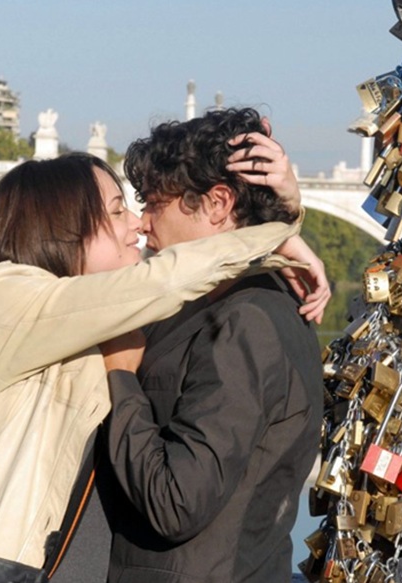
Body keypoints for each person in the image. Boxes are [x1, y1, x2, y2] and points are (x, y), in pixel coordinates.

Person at [0, 145, 327, 580]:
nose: (138, 225)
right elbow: (163, 281)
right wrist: (277, 230)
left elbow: (189, 292)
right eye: (117, 211)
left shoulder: (114, 323)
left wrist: (271, 209)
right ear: (60, 226)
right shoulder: (4, 300)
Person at [100, 108, 325, 583]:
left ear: (218, 203)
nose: (142, 222)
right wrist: (286, 225)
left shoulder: (245, 322)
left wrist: (120, 377)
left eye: (154, 203)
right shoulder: (225, 306)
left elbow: (177, 503)